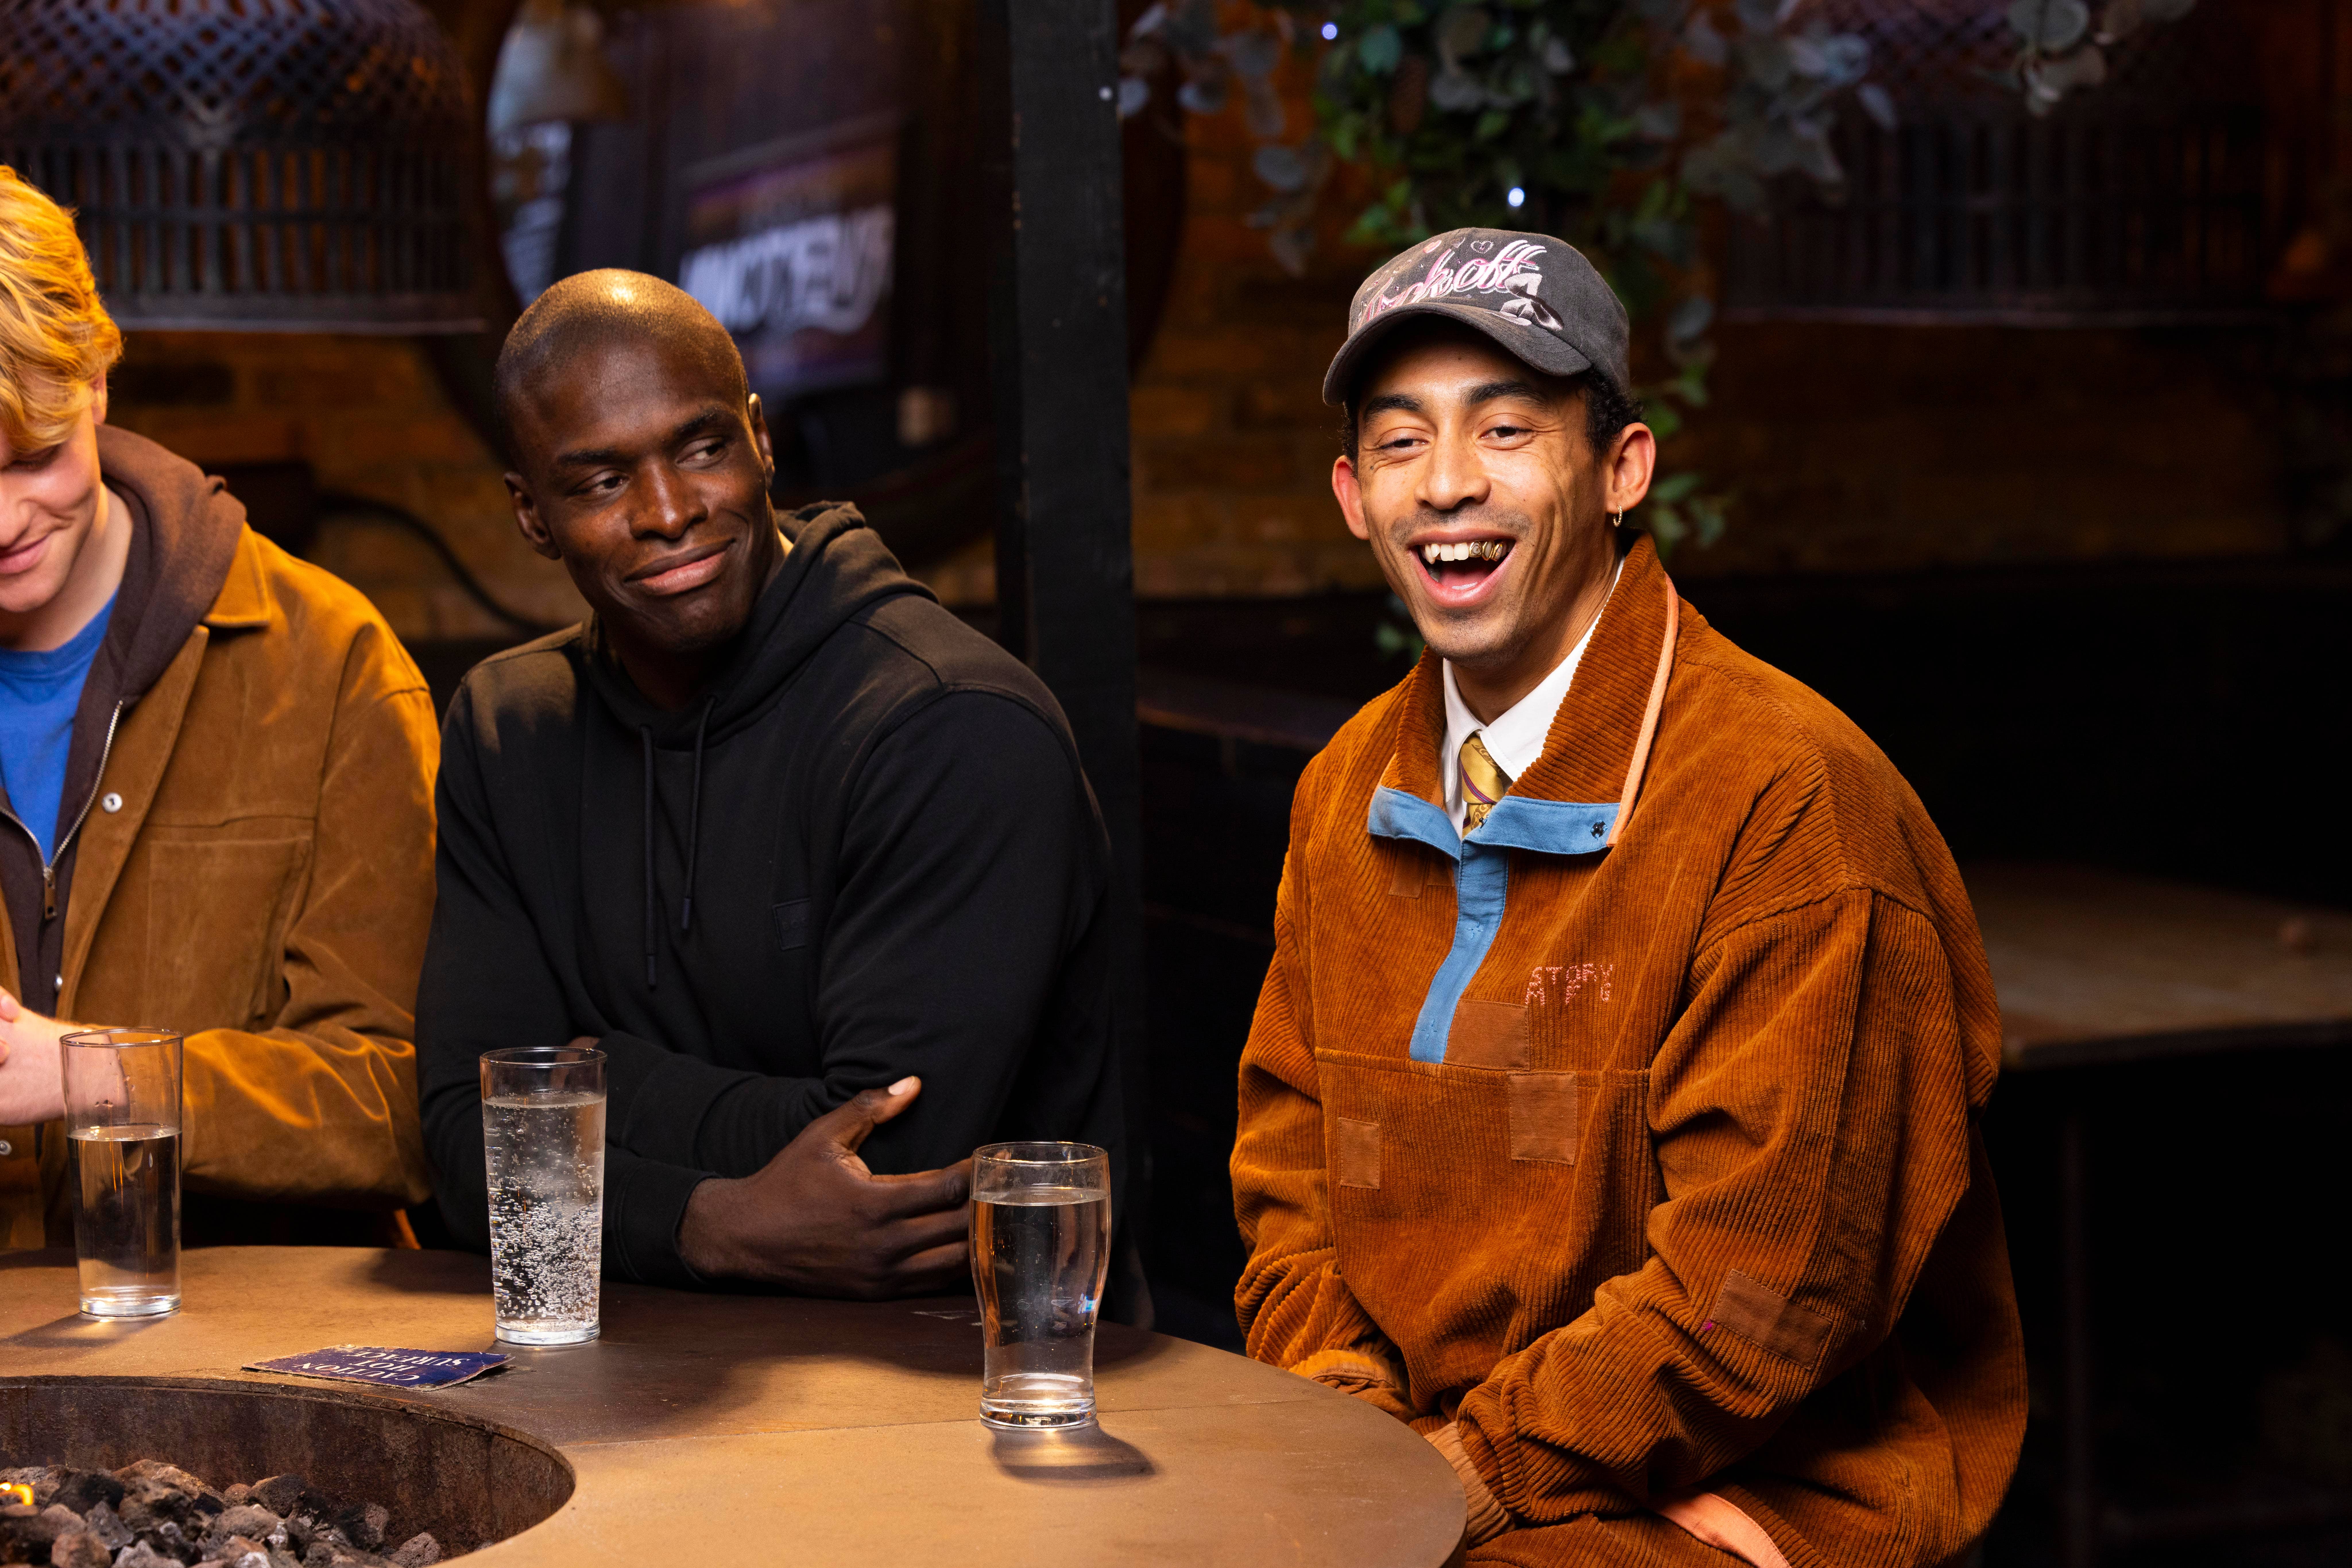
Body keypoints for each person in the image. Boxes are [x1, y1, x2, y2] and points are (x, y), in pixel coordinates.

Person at [1230, 229, 2024, 1567]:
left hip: (1756, 1482)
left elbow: (1757, 1289)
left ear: (1619, 470)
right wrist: (1358, 1445)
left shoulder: (1785, 798)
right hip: (1431, 1459)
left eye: (1504, 429)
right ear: (1351, 494)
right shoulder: (1344, 787)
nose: (1448, 486)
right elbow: (1287, 1184)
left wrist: (1464, 1480)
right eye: (1401, 442)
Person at [414, 270, 1124, 1300]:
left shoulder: (952, 722)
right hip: (618, 1375)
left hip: (963, 1392)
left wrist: (599, 1079)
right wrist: (712, 1225)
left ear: (760, 438)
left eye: (702, 448)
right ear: (532, 515)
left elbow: (890, 1172)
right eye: (602, 482)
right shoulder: (508, 726)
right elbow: (458, 1148)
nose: (669, 513)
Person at [0, 166, 438, 1247]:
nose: (0, 520)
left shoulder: (333, 664)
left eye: (33, 459)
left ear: (98, 378)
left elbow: (401, 1108)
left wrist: (88, 1070)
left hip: (243, 1383)